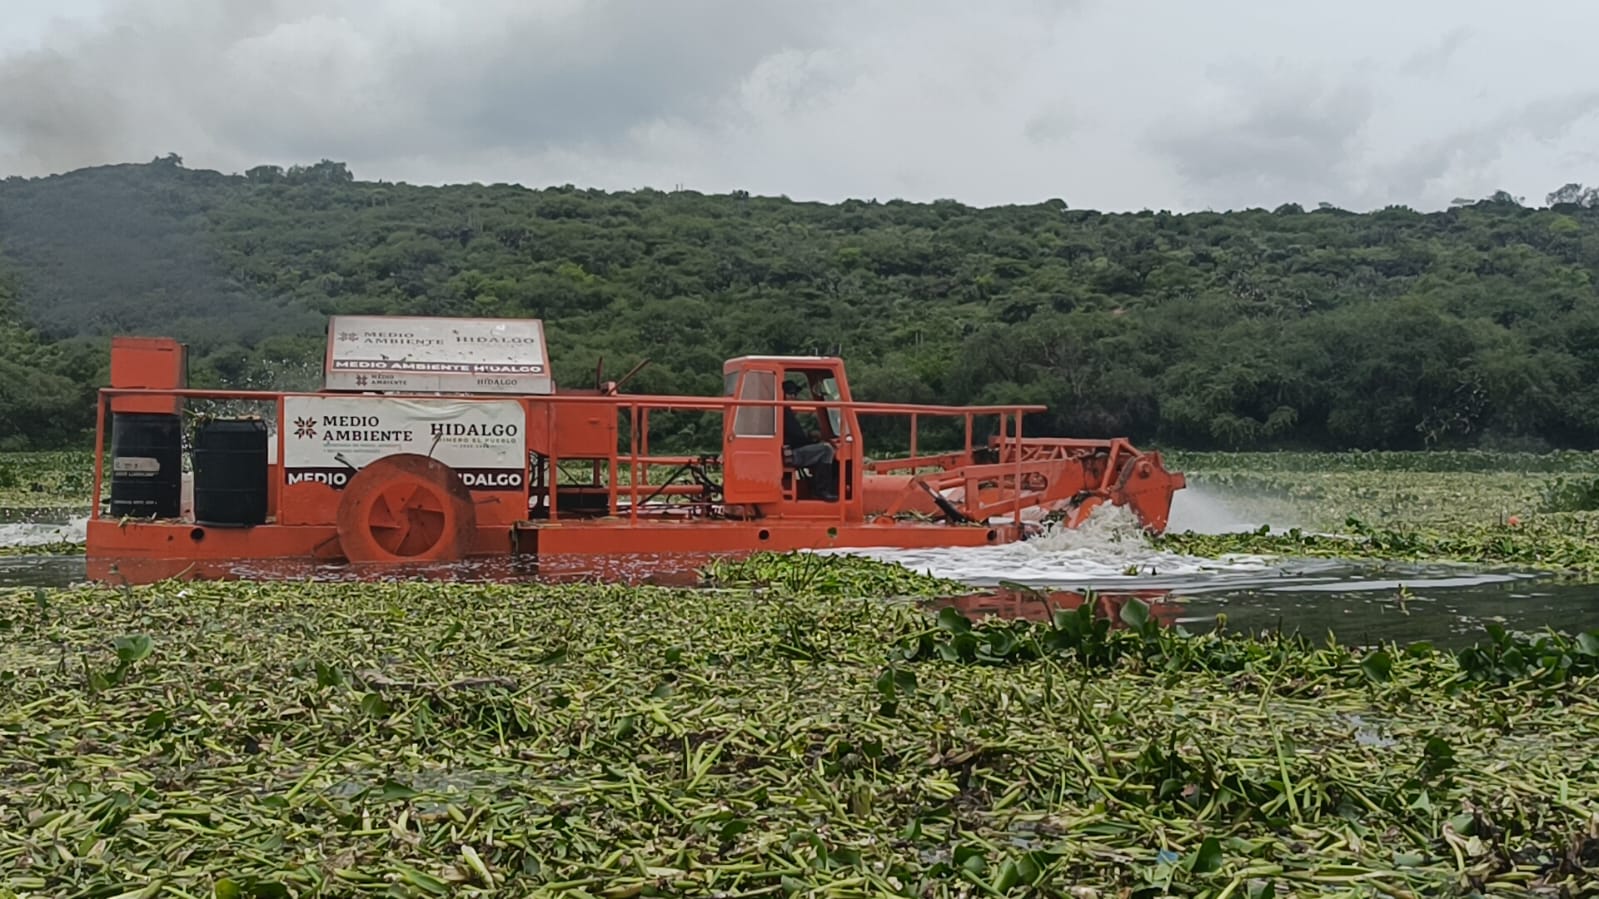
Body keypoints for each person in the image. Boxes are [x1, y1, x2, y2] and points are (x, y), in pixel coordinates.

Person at [782, 380, 837, 501]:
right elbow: (797, 438)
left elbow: (796, 435)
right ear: (782, 395)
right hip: (792, 453)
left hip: (791, 449)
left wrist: (810, 437)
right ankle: (821, 490)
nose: (793, 397)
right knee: (826, 450)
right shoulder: (783, 412)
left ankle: (818, 486)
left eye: (795, 394)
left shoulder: (785, 412)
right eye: (790, 394)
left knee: (821, 447)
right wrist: (812, 439)